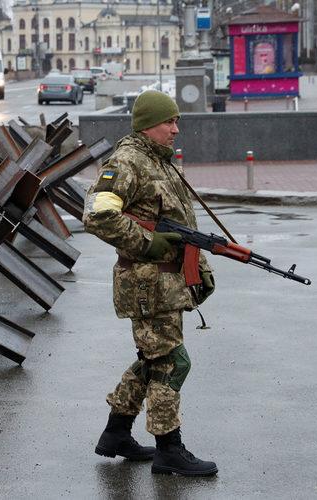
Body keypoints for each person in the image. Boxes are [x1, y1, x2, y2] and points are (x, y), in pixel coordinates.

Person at [83, 90, 218, 476]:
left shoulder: (158, 161)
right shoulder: (126, 162)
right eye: (169, 122)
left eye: (177, 121)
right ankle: (169, 449)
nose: (176, 129)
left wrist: (199, 269)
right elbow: (97, 214)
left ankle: (116, 434)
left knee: (153, 359)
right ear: (147, 125)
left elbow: (180, 229)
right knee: (172, 362)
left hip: (164, 283)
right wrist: (146, 241)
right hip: (146, 285)